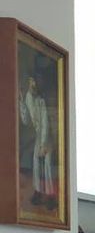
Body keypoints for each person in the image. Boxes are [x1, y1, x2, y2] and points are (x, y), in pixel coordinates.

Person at [19, 76, 57, 210]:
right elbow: (26, 121)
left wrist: (43, 144)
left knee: (47, 165)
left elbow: (45, 123)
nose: (32, 84)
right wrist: (21, 103)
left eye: (34, 81)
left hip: (47, 137)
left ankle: (51, 196)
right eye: (30, 81)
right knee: (36, 164)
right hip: (38, 136)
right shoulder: (28, 98)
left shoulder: (41, 100)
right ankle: (38, 192)